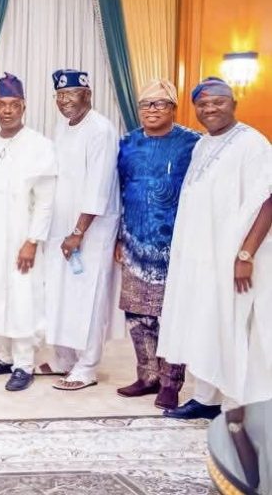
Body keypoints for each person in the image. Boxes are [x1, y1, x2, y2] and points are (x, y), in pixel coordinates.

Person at [158, 77, 272, 420]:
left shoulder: (253, 144)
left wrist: (245, 254)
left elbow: (267, 200)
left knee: (231, 322)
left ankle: (238, 402)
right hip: (200, 255)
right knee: (203, 322)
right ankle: (205, 397)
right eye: (203, 104)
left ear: (233, 103)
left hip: (235, 256)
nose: (210, 109)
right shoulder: (203, 144)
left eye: (217, 102)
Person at [115, 79, 199, 411]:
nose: (152, 110)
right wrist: (120, 237)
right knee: (137, 314)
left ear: (174, 109)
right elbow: (119, 192)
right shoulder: (127, 143)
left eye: (160, 104)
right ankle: (147, 375)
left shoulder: (192, 143)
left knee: (170, 315)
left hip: (175, 246)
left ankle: (170, 383)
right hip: (135, 241)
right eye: (146, 104)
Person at [0, 73, 57, 392]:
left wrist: (32, 241)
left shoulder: (40, 146)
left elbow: (45, 202)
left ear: (24, 106)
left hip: (23, 238)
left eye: (13, 105)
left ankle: (24, 363)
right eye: (1, 105)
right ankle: (4, 356)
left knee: (22, 298)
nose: (7, 110)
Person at [40, 69, 120, 391]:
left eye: (70, 95)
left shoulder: (101, 129)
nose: (64, 102)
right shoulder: (62, 127)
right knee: (59, 292)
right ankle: (64, 359)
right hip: (62, 226)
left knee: (88, 296)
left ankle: (87, 366)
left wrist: (78, 231)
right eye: (60, 96)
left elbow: (98, 185)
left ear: (87, 95)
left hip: (91, 228)